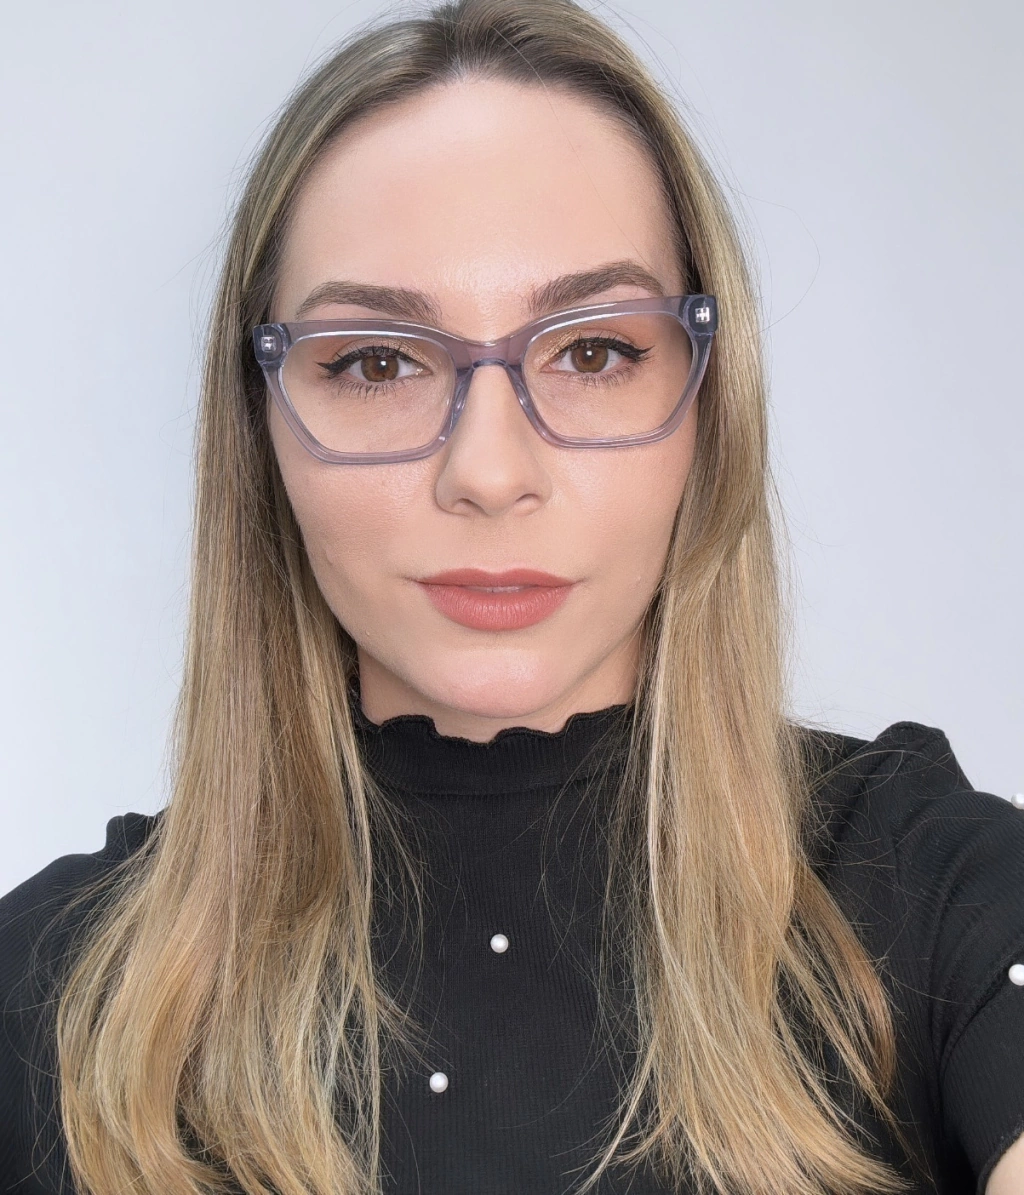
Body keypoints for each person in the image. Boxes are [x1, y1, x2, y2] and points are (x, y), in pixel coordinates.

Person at [1, 1, 1022, 1192]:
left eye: (592, 351)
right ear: (260, 423)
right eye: (376, 361)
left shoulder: (938, 896)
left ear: (708, 401)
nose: (488, 472)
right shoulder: (51, 996)